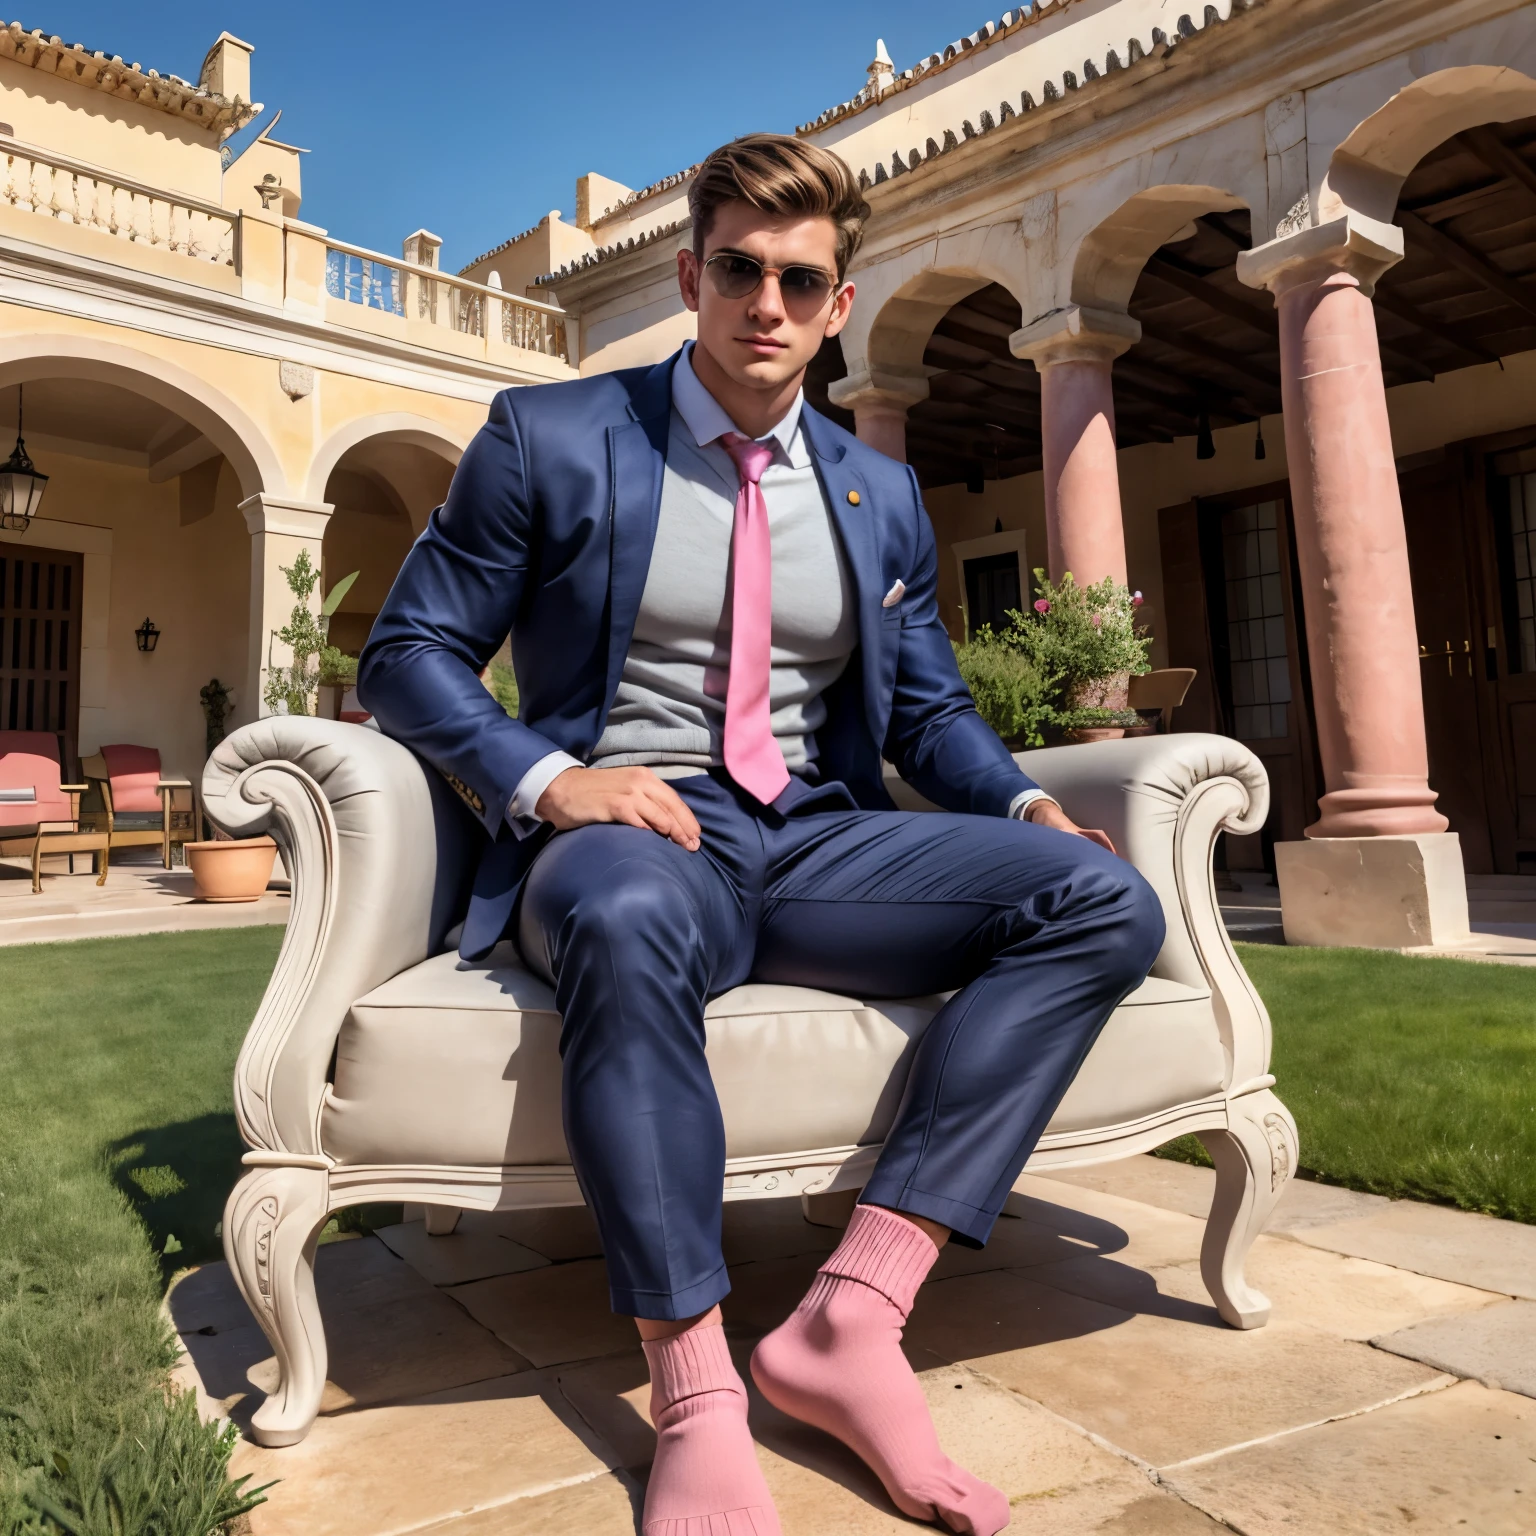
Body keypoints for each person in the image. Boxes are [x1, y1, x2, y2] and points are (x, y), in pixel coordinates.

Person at [358, 133, 1163, 1536]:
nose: (766, 303)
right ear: (691, 275)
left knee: (1104, 904)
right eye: (739, 268)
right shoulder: (550, 438)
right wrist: (550, 781)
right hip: (632, 826)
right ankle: (695, 1394)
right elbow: (409, 652)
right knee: (619, 912)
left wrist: (1032, 805)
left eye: (801, 278)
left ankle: (853, 1319)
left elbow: (928, 716)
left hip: (808, 840)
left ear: (840, 303)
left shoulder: (878, 492)